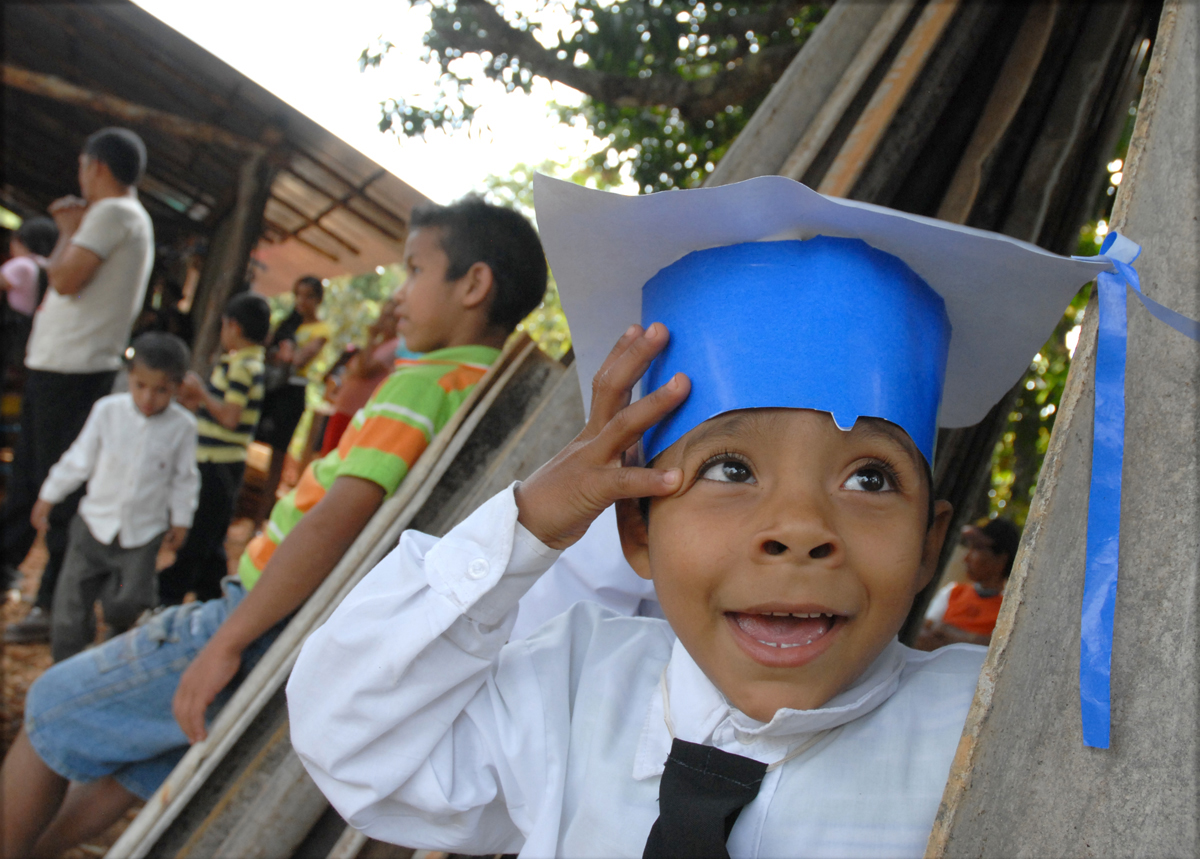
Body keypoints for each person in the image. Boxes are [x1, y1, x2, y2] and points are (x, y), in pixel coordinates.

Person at [286, 174, 1118, 858]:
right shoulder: (571, 693)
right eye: (731, 468)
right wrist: (532, 519)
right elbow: (354, 738)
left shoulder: (989, 728)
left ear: (930, 541)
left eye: (869, 478)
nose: (799, 527)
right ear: (636, 529)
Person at [0, 196, 548, 859]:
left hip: (258, 616)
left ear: (474, 283)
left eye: (414, 270)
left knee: (48, 706)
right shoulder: (485, 388)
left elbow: (334, 522)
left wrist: (227, 638)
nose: (399, 293)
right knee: (133, 764)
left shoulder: (424, 383)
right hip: (301, 632)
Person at [3, 127, 154, 645]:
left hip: (73, 369)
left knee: (60, 489)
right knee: (29, 480)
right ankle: (14, 573)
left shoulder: (113, 214)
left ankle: (54, 603)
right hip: (63, 367)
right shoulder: (125, 217)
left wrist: (68, 229)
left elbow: (66, 280)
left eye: (83, 167)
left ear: (97, 166)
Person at [32, 332, 197, 662]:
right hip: (93, 526)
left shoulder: (183, 427)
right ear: (129, 377)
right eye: (140, 385)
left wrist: (181, 520)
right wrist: (48, 496)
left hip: (142, 535)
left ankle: (112, 653)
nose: (148, 397)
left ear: (178, 387)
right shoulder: (107, 411)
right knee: (70, 605)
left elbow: (185, 479)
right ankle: (66, 663)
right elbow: (79, 459)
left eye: (161, 390)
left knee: (128, 601)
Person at [157, 293, 272, 606]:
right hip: (222, 463)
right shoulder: (246, 363)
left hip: (217, 463)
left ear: (233, 327)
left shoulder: (242, 366)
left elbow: (230, 418)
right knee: (211, 541)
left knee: (197, 537)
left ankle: (167, 596)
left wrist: (202, 394)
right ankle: (212, 598)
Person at [253, 276, 330, 518]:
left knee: (278, 454)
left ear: (317, 300)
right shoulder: (287, 324)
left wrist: (286, 354)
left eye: (308, 296)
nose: (301, 301)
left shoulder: (320, 330)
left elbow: (298, 359)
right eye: (298, 295)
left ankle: (263, 514)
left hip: (292, 392)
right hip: (270, 388)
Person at [916, 517, 1020, 650]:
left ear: (1001, 559)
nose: (966, 558)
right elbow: (921, 632)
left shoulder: (1010, 611)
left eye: (977, 549)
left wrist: (956, 637)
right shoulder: (953, 592)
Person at [320, 292, 401, 455]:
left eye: (390, 317)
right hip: (344, 409)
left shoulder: (394, 346)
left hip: (356, 414)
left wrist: (370, 337)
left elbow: (364, 370)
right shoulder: (378, 345)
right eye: (383, 315)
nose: (383, 321)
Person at [0, 216, 58, 388]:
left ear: (21, 241)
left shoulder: (21, 265)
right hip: (29, 328)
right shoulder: (46, 266)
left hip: (9, 329)